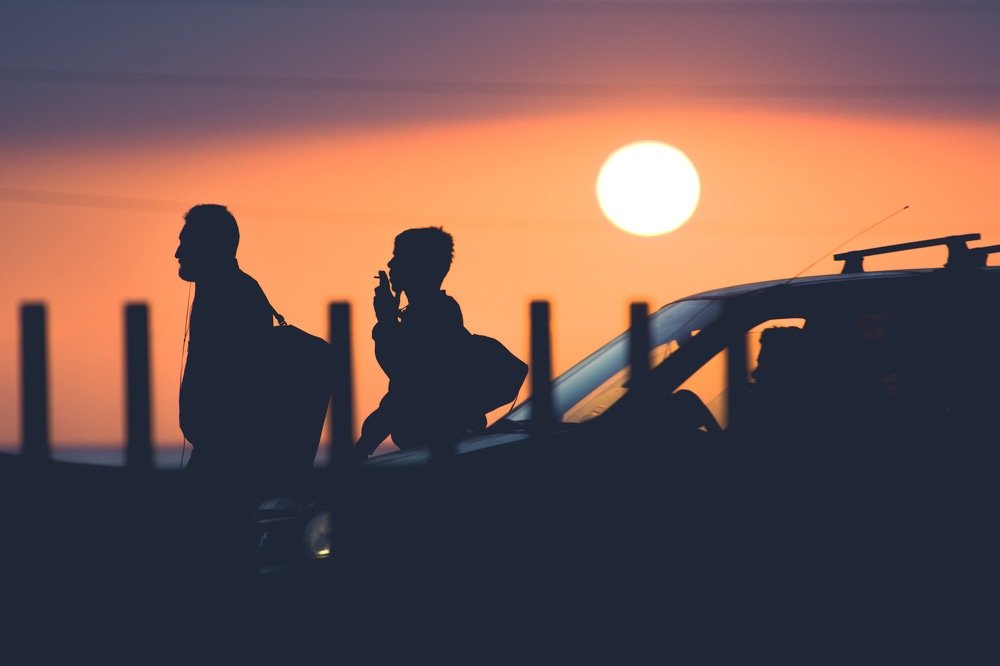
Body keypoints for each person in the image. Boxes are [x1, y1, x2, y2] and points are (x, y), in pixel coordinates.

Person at [355, 227, 486, 457]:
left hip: (438, 449)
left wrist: (386, 320)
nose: (390, 264)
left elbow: (407, 383)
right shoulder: (428, 312)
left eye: (398, 256)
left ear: (418, 266)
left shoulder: (435, 315)